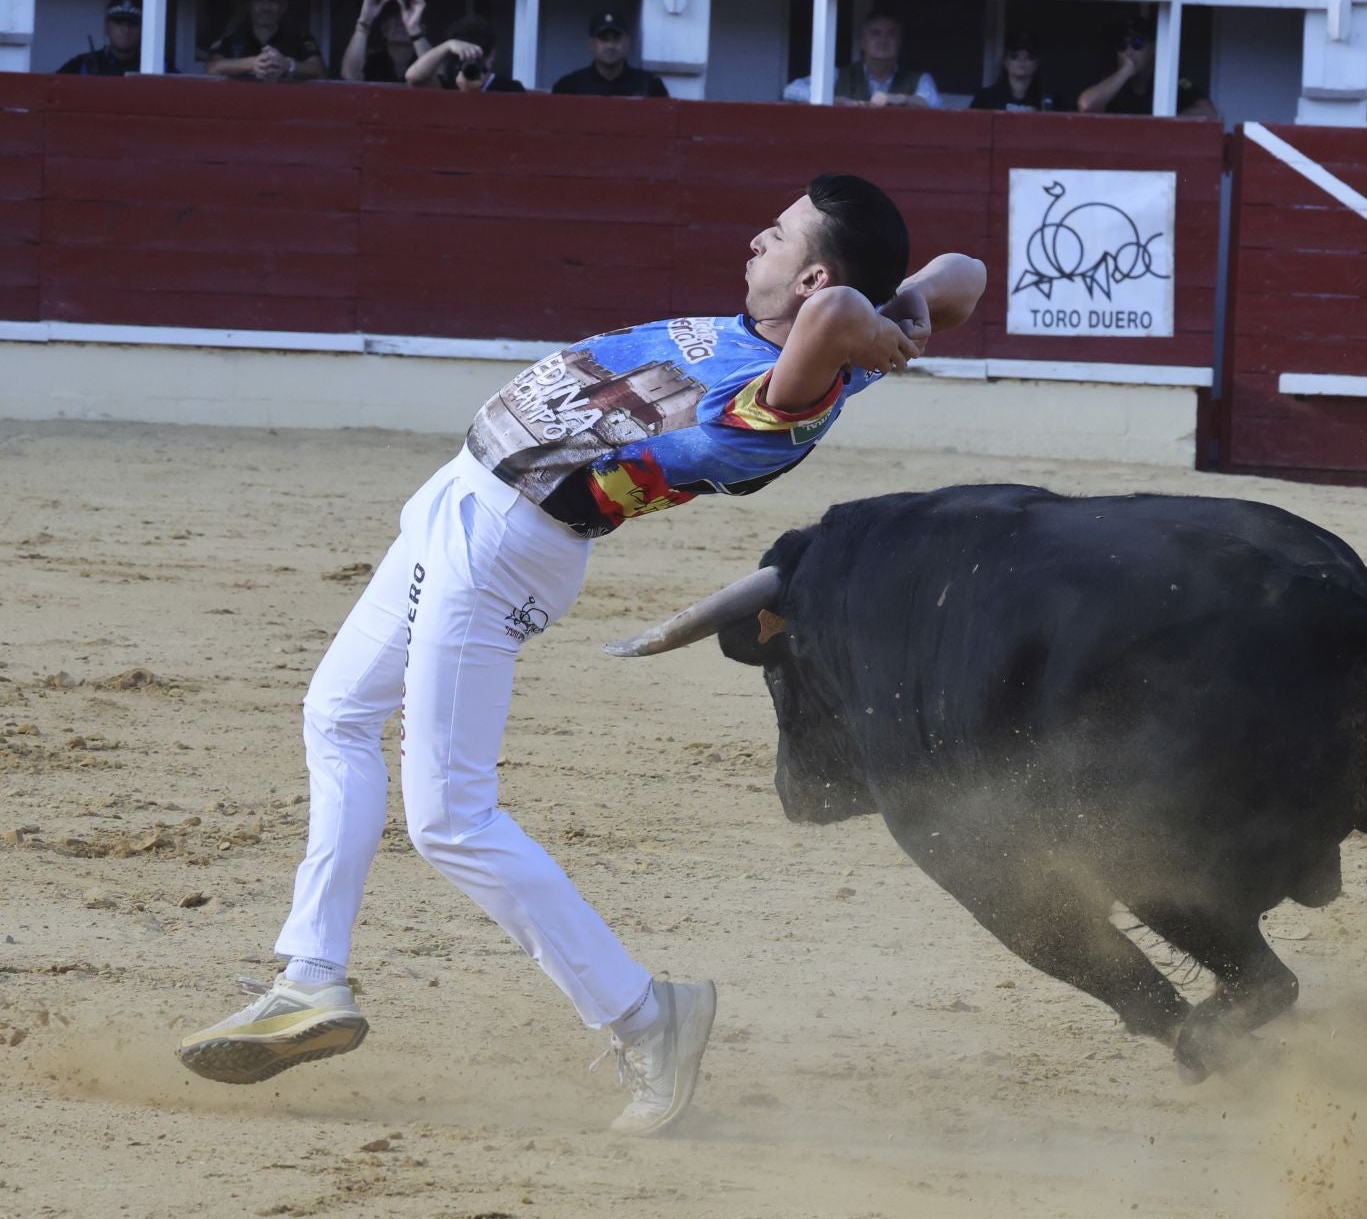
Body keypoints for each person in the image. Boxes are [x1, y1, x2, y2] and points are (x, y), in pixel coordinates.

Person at [173, 174, 988, 1139]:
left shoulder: (791, 391)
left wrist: (874, 319)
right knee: (339, 713)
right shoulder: (835, 339)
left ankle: (647, 1018)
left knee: (451, 817)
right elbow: (965, 271)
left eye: (777, 237)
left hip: (506, 544)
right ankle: (311, 976)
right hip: (463, 501)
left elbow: (841, 313)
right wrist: (906, 312)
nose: (753, 242)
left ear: (814, 281)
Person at [781, 11, 939, 108]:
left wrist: (898, 98)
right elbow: (792, 90)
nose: (883, 40)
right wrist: (834, 99)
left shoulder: (920, 79)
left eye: (891, 34)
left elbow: (933, 103)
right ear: (863, 42)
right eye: (875, 33)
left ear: (899, 42)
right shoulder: (838, 75)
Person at [1076, 17, 1217, 119]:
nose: (1129, 51)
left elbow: (1208, 113)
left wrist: (1162, 124)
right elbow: (1087, 106)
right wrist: (1125, 71)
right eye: (1122, 45)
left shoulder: (1172, 80)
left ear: (1154, 48)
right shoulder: (1111, 82)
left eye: (1137, 43)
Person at [206, 0, 325, 82]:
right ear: (249, 5)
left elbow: (319, 71)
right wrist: (251, 63)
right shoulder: (233, 41)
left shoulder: (299, 39)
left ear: (283, 7)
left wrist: (288, 65)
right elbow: (211, 68)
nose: (266, 7)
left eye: (273, 0)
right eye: (259, 0)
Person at [551, 10, 669, 98]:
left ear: (627, 43)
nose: (610, 45)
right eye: (604, 39)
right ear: (591, 44)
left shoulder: (649, 86)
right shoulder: (569, 87)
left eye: (616, 38)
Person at [406, 16, 526, 92]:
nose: (472, 62)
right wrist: (447, 45)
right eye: (463, 57)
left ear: (491, 56)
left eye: (478, 57)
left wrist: (472, 92)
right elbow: (413, 77)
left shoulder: (511, 89)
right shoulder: (449, 84)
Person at [340, 0, 429, 84]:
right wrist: (365, 21)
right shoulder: (373, 61)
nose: (401, 21)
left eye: (409, 13)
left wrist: (414, 29)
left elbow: (436, 76)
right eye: (394, 15)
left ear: (423, 28)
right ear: (384, 28)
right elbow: (350, 76)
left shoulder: (426, 58)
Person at [969, 32, 1060, 113]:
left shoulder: (1050, 100)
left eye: (1029, 57)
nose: (1022, 60)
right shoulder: (985, 98)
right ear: (1005, 62)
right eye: (1014, 56)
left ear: (1036, 64)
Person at [56, 0, 143, 76]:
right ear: (106, 28)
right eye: (119, 22)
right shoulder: (83, 64)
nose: (126, 29)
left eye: (132, 23)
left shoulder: (148, 66)